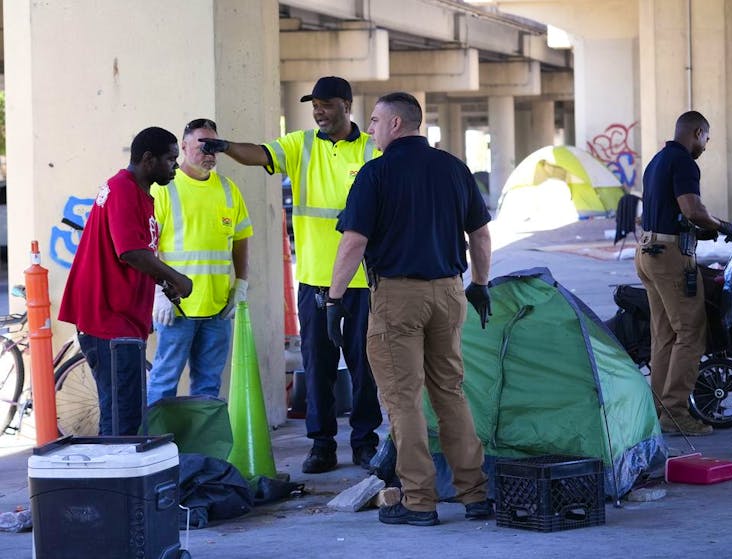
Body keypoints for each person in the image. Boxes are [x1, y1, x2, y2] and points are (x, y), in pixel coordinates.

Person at [199, 76, 383, 474]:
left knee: (364, 366)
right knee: (317, 365)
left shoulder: (372, 149)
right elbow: (259, 154)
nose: (318, 112)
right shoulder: (301, 145)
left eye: (326, 104)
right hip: (315, 278)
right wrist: (226, 147)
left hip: (362, 281)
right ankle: (322, 445)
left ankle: (365, 442)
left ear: (346, 105)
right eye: (314, 105)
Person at [326, 92, 493, 527]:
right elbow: (480, 235)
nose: (370, 129)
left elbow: (354, 241)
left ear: (396, 123)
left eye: (375, 121)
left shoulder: (376, 173)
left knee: (403, 400)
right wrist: (480, 284)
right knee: (450, 392)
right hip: (449, 293)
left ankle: (419, 501)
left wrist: (334, 298)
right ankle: (475, 493)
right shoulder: (454, 168)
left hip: (398, 298)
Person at [58, 127, 193, 436]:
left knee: (123, 414)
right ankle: (114, 468)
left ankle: (115, 464)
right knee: (122, 419)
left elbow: (135, 253)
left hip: (121, 321)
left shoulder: (138, 193)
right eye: (170, 159)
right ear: (148, 159)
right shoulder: (123, 190)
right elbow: (130, 252)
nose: (175, 166)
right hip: (108, 321)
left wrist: (162, 283)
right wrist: (177, 278)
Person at [635, 111, 732, 437]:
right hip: (670, 257)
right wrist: (720, 225)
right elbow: (692, 208)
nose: (705, 145)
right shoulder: (684, 162)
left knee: (665, 336)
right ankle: (676, 413)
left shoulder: (657, 161)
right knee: (691, 333)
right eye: (706, 138)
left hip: (648, 251)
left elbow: (669, 212)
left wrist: (697, 231)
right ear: (697, 132)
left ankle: (658, 410)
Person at [146, 118, 253, 405]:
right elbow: (148, 246)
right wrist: (158, 293)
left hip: (217, 309)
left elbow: (241, 238)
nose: (209, 153)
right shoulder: (164, 189)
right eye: (202, 146)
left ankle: (199, 437)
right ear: (183, 147)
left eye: (214, 146)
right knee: (164, 381)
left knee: (208, 387)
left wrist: (241, 284)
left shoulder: (228, 189)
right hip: (176, 309)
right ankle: (156, 435)